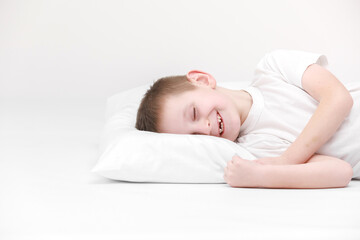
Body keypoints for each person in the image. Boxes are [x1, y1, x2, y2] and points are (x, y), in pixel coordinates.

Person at [136, 49, 360, 189]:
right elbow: (341, 172)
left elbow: (338, 99)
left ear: (202, 80)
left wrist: (287, 160)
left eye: (194, 113)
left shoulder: (273, 69)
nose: (204, 129)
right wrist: (262, 175)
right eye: (195, 136)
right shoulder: (253, 149)